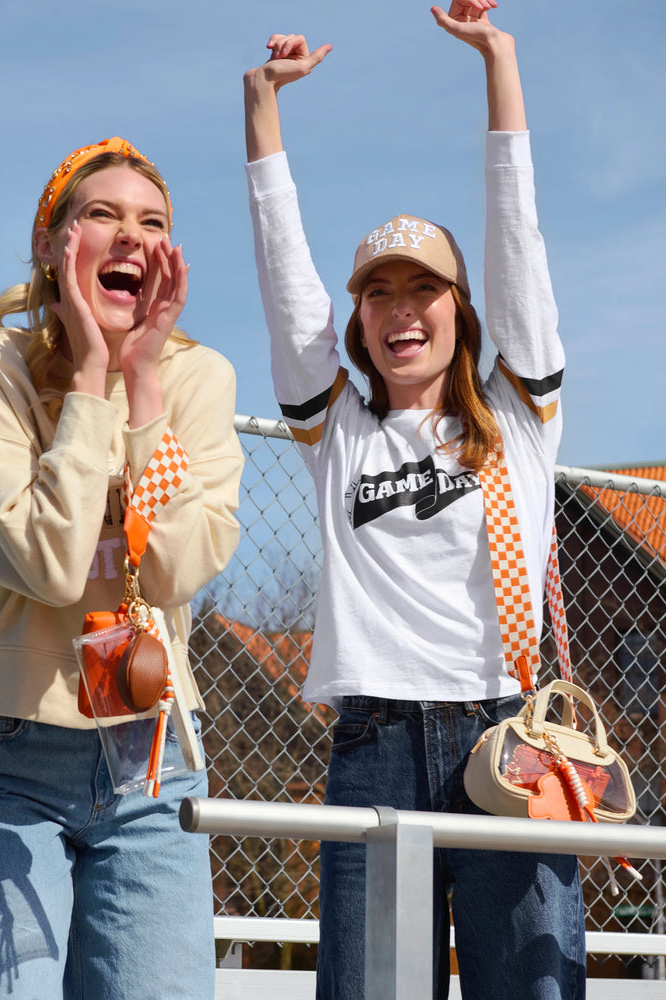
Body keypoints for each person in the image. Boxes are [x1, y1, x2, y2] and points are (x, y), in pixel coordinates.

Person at [243, 4, 585, 999]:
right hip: (376, 742)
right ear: (358, 318)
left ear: (461, 310)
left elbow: (514, 231)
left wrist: (499, 62)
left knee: (529, 985)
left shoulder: (520, 414)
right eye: (378, 292)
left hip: (505, 736)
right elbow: (283, 274)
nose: (401, 310)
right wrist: (262, 111)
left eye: (423, 289)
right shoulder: (336, 426)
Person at [0, 136, 244, 1000]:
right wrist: (90, 378)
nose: (130, 236)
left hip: (152, 763)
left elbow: (178, 566)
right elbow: (52, 565)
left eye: (153, 222)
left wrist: (142, 389)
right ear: (51, 243)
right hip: (8, 758)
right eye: (100, 214)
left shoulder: (197, 380)